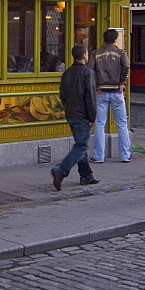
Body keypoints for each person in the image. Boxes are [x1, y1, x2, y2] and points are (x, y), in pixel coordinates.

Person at [50, 45, 99, 191]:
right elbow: (90, 97)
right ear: (84, 55)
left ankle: (86, 175)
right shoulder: (87, 73)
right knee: (81, 145)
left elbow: (62, 95)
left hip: (71, 113)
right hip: (82, 114)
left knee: (80, 143)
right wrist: (92, 116)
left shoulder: (67, 73)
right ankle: (61, 170)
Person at [89, 28, 132, 163]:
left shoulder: (96, 53)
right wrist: (121, 82)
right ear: (115, 39)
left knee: (100, 124)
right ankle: (125, 154)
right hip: (117, 91)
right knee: (122, 124)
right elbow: (126, 65)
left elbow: (91, 70)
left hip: (101, 90)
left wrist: (96, 86)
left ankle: (98, 156)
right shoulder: (121, 52)